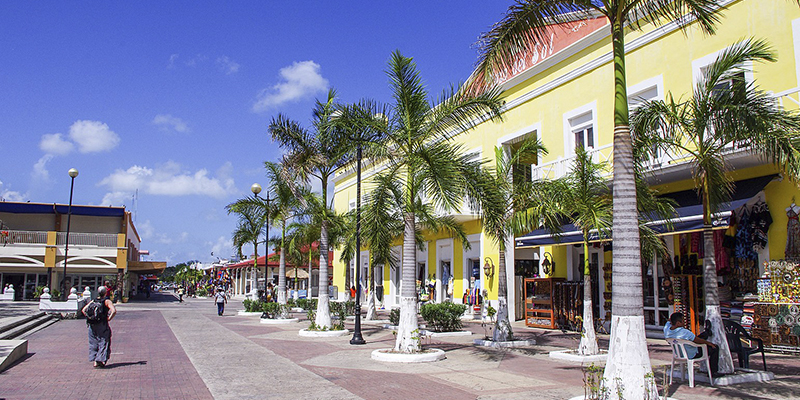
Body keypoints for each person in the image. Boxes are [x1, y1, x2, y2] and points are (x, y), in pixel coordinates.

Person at [81, 286, 116, 368]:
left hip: (92, 324)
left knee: (93, 342)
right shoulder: (106, 301)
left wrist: (90, 318)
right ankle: (99, 360)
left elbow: (83, 310)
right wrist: (109, 318)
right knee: (104, 340)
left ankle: (94, 361)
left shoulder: (94, 301)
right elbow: (113, 311)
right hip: (102, 324)